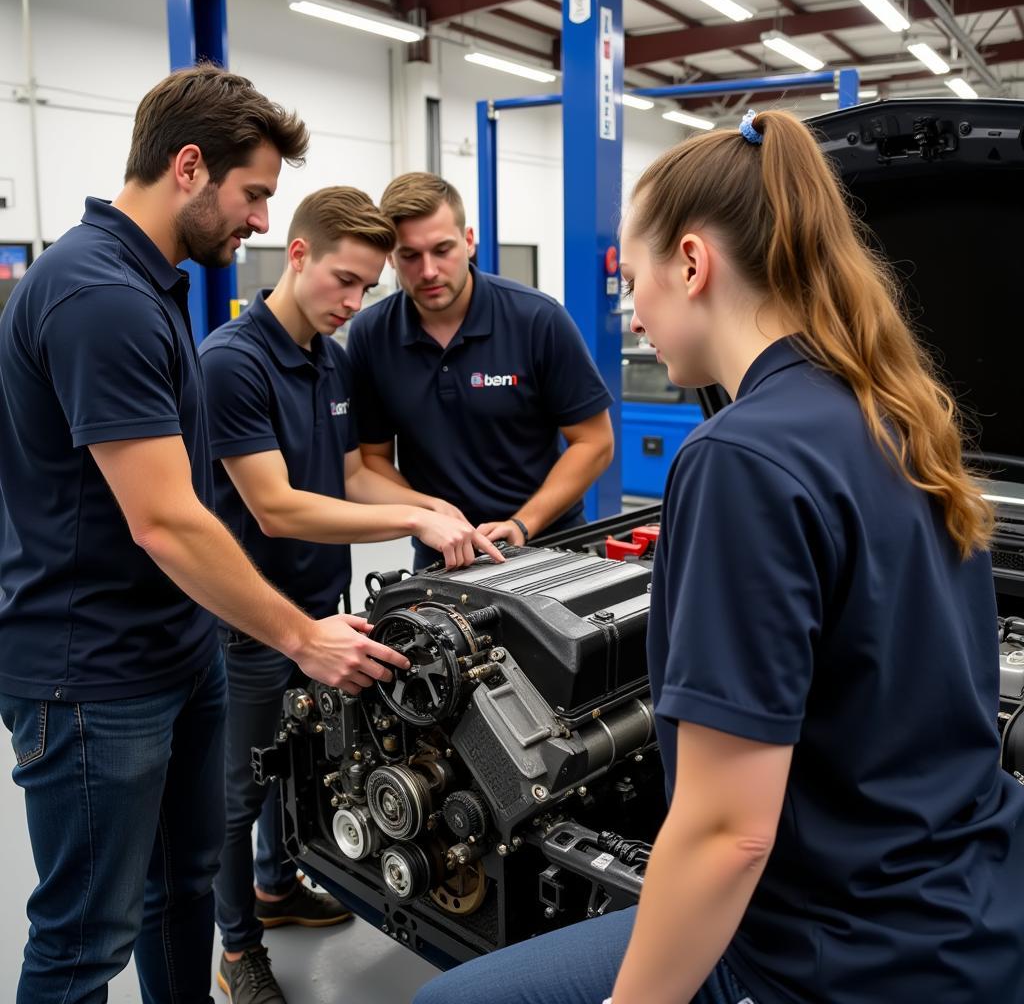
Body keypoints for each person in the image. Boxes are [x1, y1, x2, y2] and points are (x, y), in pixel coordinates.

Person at [412, 109, 1024, 1004]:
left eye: (633, 279)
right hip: (963, 908)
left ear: (693, 264)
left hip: (829, 954)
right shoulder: (898, 416)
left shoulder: (741, 456)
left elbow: (728, 833)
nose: (632, 310)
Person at [0, 64, 407, 1004]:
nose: (262, 220)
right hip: (90, 672)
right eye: (255, 192)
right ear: (190, 166)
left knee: (179, 891)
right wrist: (302, 637)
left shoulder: (150, 286)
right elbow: (165, 517)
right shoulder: (96, 295)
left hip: (176, 652)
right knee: (81, 940)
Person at [198, 185, 503, 1003]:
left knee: (296, 762)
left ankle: (276, 886)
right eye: (343, 280)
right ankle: (236, 948)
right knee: (239, 791)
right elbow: (276, 504)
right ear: (295, 255)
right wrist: (411, 514)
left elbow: (348, 474)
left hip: (319, 607)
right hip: (250, 619)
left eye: (368, 286)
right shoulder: (231, 361)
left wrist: (436, 511)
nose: (354, 301)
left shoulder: (329, 360)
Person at [345, 173, 615, 571]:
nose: (429, 271)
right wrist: (430, 515)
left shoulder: (537, 319)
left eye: (442, 250)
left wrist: (523, 523)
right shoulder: (371, 334)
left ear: (468, 240)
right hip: (443, 557)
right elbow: (373, 458)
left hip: (550, 546)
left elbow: (594, 442)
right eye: (410, 256)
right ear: (390, 258)